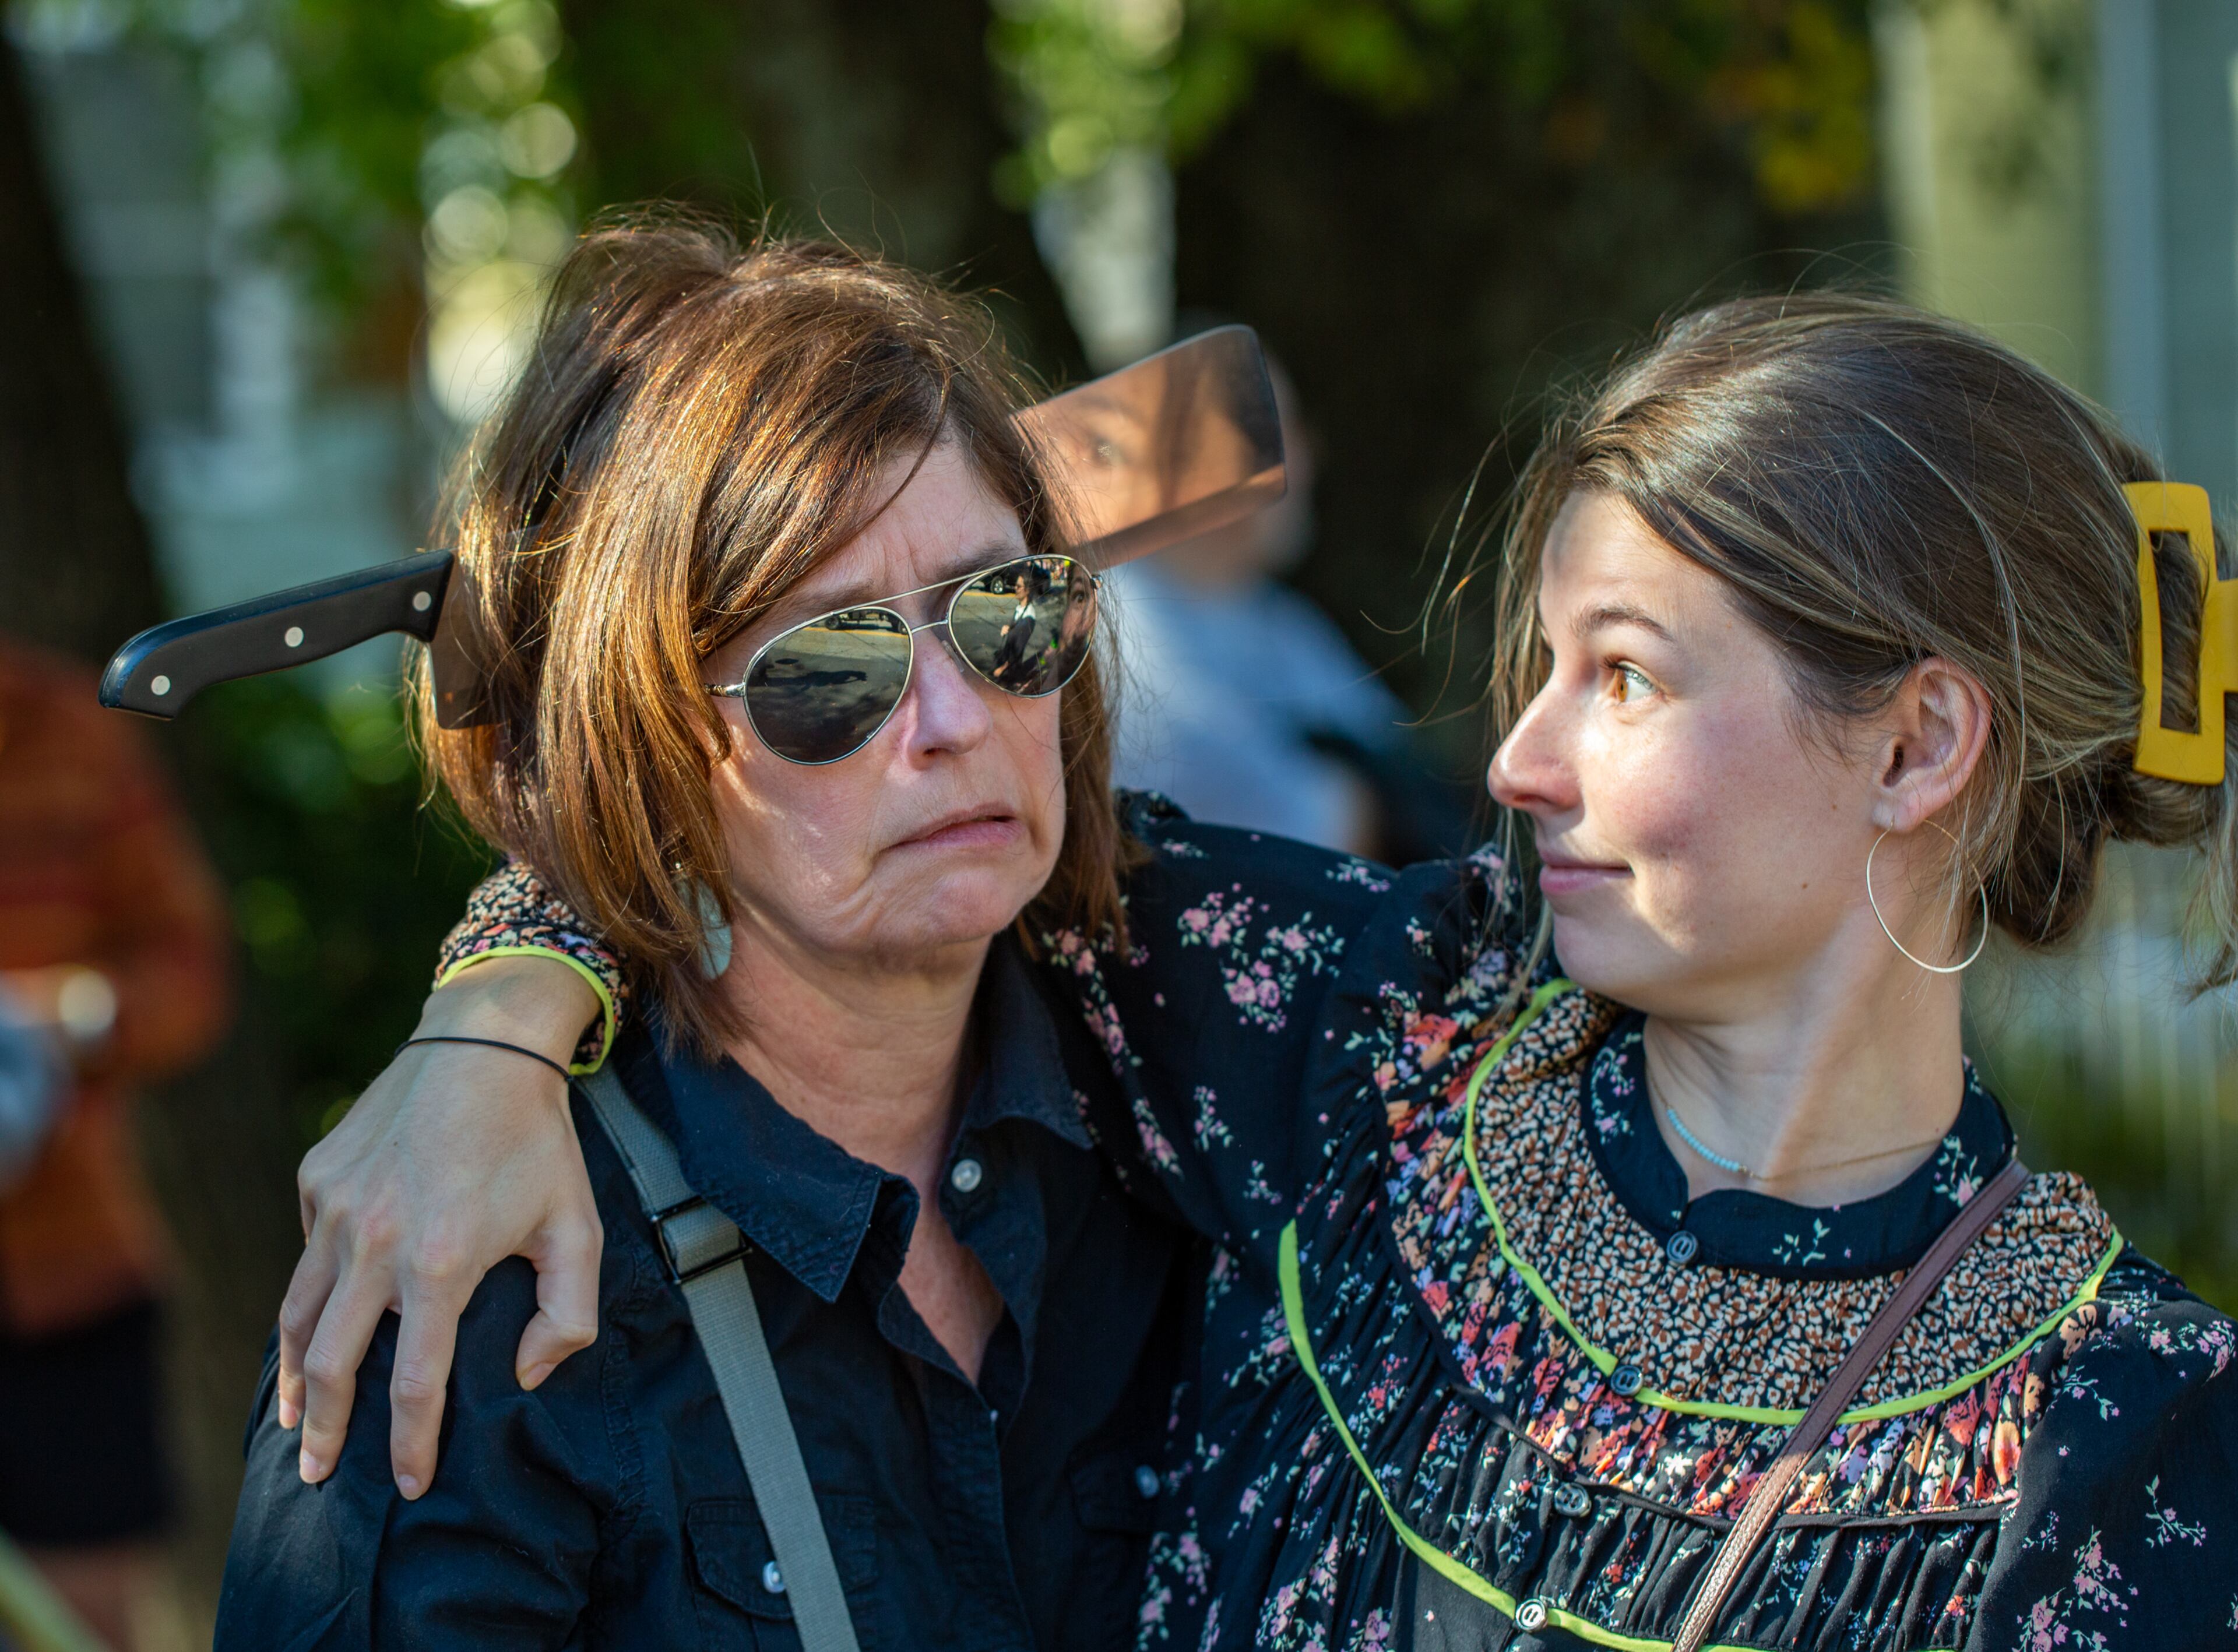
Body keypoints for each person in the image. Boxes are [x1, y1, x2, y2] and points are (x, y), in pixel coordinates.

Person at [263, 294, 2238, 1647]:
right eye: (1538, 663)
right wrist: (497, 1007)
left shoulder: (2138, 1436)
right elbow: (790, 743)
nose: (1516, 760)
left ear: (1918, 746)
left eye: (1623, 673)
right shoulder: (1354, 1039)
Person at [214, 221, 1227, 1651]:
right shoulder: (474, 1284)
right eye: (830, 667)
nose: (951, 725)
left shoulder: (1210, 1061)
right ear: (644, 746)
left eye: (1003, 613)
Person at [0, 636, 231, 1650]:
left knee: (78, 1627)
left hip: (65, 1277)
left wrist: (67, 1021)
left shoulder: (60, 727)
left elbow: (188, 973)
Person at [1106, 346, 1461, 861]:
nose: (1311, 456)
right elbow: (1324, 835)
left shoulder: (1281, 621)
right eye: (1284, 429)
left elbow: (1412, 776)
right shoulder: (1121, 636)